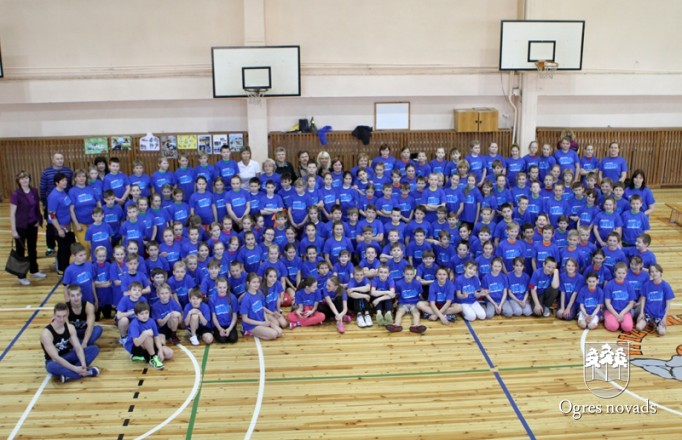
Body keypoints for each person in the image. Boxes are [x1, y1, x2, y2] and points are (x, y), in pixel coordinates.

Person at [41, 302, 100, 383]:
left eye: (64, 316)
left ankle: (69, 374)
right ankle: (85, 373)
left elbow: (78, 348)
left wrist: (83, 363)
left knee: (94, 349)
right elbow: (56, 358)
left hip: (69, 356)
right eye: (58, 316)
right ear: (54, 315)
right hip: (55, 361)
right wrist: (75, 368)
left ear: (67, 315)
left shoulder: (70, 328)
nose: (62, 319)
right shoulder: (46, 334)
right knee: (51, 366)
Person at [10, 170, 46, 285]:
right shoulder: (16, 194)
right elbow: (12, 214)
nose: (24, 180)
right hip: (21, 226)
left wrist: (39, 220)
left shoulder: (34, 191)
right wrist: (13, 230)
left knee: (32, 249)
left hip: (32, 224)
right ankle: (21, 276)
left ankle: (34, 270)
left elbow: (37, 208)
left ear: (29, 179)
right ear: (18, 181)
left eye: (26, 178)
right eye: (22, 178)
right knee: (20, 251)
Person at [40, 152, 73, 257]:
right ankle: (51, 247)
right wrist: (44, 203)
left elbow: (71, 186)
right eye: (57, 159)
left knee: (66, 242)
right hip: (53, 204)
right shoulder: (46, 172)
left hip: (64, 204)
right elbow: (42, 188)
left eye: (61, 158)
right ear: (53, 160)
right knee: (51, 228)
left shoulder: (68, 171)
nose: (59, 160)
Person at [126, 302, 172, 370]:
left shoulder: (151, 321)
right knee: (147, 336)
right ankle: (152, 358)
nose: (144, 316)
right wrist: (144, 333)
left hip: (149, 345)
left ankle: (145, 357)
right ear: (136, 315)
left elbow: (156, 337)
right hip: (136, 347)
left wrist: (160, 350)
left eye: (146, 313)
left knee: (169, 353)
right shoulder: (134, 324)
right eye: (141, 314)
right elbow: (136, 343)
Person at [48, 172, 76, 274]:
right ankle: (62, 269)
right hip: (59, 226)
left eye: (65, 180)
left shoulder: (63, 192)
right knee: (64, 249)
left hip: (67, 225)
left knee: (67, 248)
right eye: (62, 181)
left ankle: (64, 266)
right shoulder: (53, 196)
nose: (65, 182)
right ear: (57, 183)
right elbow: (52, 215)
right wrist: (59, 229)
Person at [69, 168, 100, 257]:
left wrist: (99, 218)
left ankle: (94, 263)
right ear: (75, 178)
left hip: (93, 222)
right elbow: (71, 209)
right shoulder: (72, 191)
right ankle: (85, 263)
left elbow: (98, 203)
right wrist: (77, 224)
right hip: (80, 223)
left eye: (83, 176)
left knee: (95, 245)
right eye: (79, 176)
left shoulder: (91, 189)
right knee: (86, 245)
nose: (81, 178)